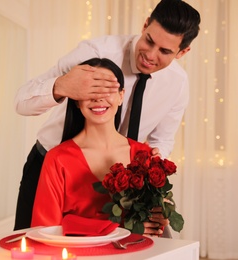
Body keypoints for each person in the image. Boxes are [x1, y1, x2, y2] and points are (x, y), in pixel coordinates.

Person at [14, 0, 201, 230]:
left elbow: (161, 140)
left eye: (164, 51)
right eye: (149, 41)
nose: (150, 56)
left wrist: (150, 180)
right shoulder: (96, 52)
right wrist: (62, 85)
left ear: (183, 52)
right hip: (50, 166)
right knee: (30, 244)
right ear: (145, 25)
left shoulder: (178, 84)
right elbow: (21, 102)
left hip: (121, 184)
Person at [31, 58, 168, 236]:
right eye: (90, 90)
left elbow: (155, 223)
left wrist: (160, 217)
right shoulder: (57, 159)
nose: (98, 97)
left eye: (107, 89)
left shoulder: (143, 155)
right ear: (76, 100)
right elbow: (44, 230)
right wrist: (119, 229)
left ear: (121, 96)